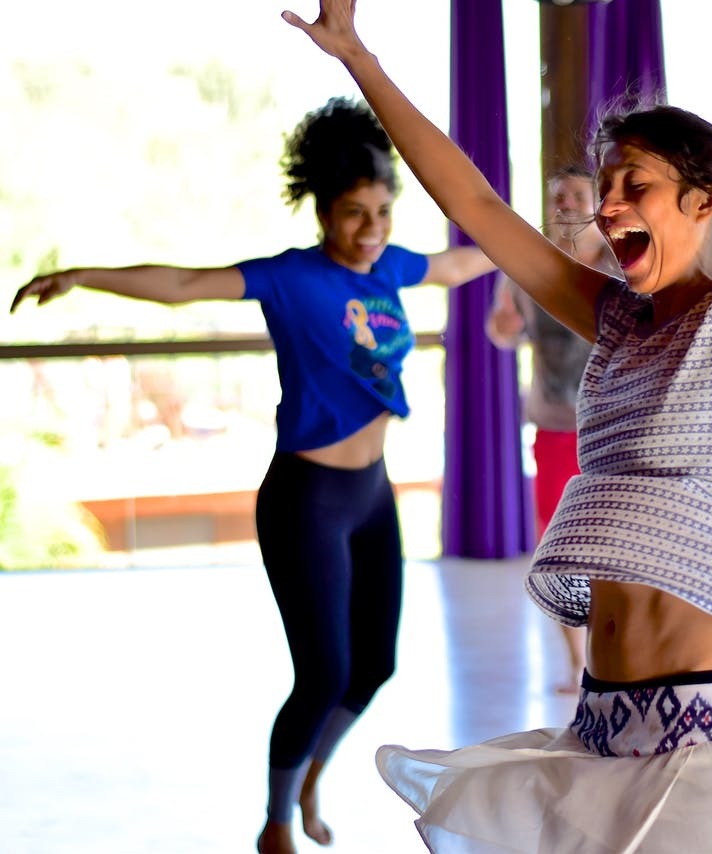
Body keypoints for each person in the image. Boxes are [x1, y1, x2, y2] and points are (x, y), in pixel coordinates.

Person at [285, 0, 712, 849]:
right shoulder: (619, 320)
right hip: (598, 737)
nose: (612, 207)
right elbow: (479, 206)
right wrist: (357, 58)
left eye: (638, 186)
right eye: (606, 191)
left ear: (705, 199)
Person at [9, 96, 496, 854]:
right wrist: (83, 276)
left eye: (381, 211)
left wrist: (530, 244)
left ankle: (310, 777)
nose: (369, 230)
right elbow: (181, 286)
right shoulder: (290, 278)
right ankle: (276, 820)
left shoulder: (390, 266)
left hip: (372, 494)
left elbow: (462, 262)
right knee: (323, 673)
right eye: (351, 214)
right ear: (321, 211)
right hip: (307, 499)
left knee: (374, 667)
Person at [485, 165, 615, 694]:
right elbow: (499, 331)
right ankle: (577, 664)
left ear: (597, 201)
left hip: (613, 427)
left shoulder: (622, 263)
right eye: (558, 195)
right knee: (561, 550)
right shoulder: (527, 266)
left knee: (613, 549)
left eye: (576, 194)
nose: (565, 202)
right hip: (557, 428)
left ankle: (615, 658)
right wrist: (505, 325)